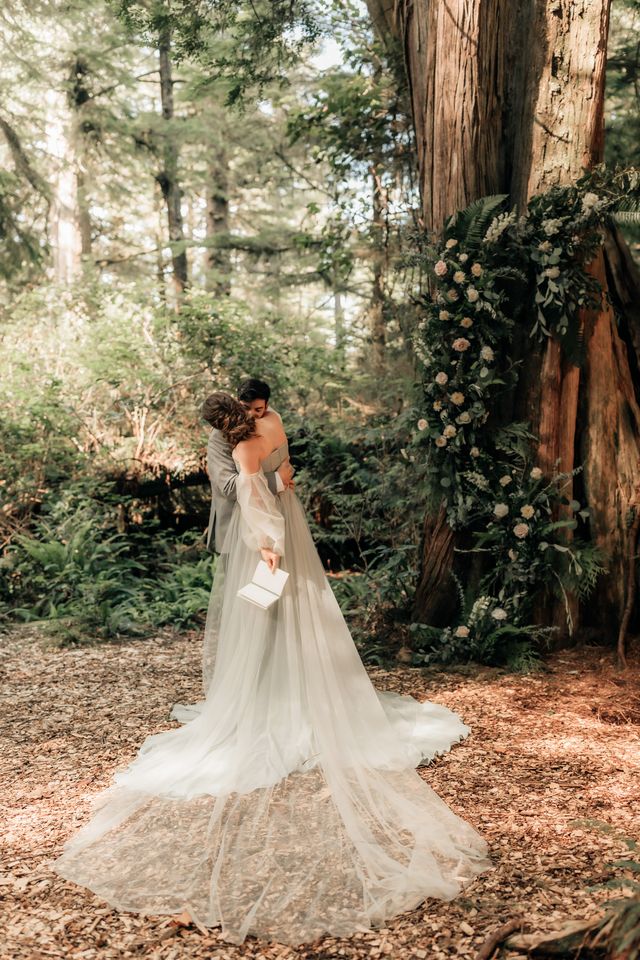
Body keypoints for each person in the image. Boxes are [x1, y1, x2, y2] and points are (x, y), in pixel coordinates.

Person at [51, 394, 490, 946]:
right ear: (251, 406)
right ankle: (287, 679)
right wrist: (281, 508)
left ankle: (273, 686)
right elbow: (284, 476)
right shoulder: (274, 423)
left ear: (220, 422)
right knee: (300, 606)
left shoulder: (237, 448)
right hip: (292, 522)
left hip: (269, 540)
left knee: (264, 608)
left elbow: (255, 494)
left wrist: (266, 546)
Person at [204, 378, 293, 555]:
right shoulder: (219, 436)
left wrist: (286, 471)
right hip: (236, 528)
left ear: (266, 406)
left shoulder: (270, 417)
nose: (251, 414)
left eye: (258, 409)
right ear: (238, 402)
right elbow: (229, 487)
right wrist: (278, 480)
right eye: (245, 407)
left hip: (275, 514)